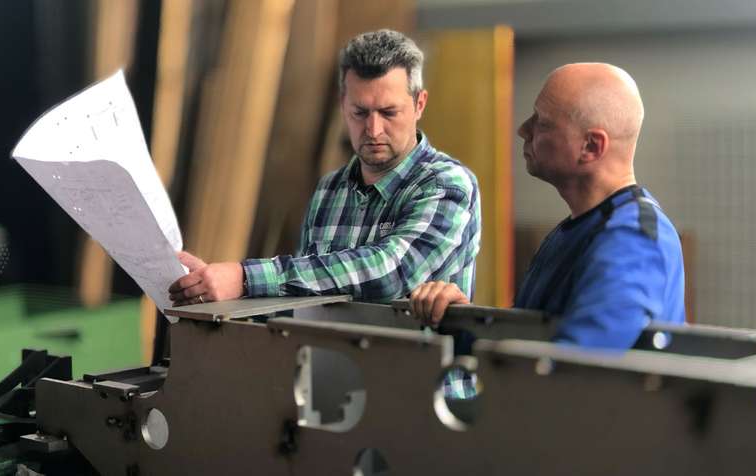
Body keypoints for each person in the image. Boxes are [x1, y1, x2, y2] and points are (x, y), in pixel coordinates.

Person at [169, 29, 481, 306]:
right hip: (332, 369)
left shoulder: (446, 184)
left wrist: (243, 278)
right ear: (343, 105)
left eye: (388, 112)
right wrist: (214, 284)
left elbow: (391, 272)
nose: (372, 129)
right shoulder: (330, 189)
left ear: (419, 105)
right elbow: (306, 292)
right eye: (360, 113)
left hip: (419, 372)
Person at [410, 63, 685, 349]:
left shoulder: (632, 241)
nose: (522, 129)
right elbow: (528, 342)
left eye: (541, 122)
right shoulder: (572, 231)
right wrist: (461, 322)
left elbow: (573, 369)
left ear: (591, 146)